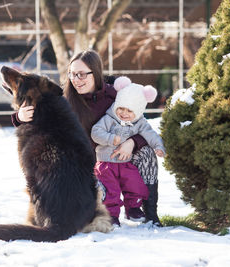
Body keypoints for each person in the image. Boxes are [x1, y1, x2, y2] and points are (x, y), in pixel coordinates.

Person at [12, 49, 163, 226]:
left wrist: (132, 142)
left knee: (146, 153)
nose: (76, 80)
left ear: (96, 73)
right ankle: (104, 214)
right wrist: (19, 117)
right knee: (98, 195)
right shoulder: (63, 99)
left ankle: (150, 214)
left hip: (120, 157)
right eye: (72, 74)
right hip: (88, 170)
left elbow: (142, 125)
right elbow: (37, 125)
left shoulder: (116, 96)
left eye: (82, 74)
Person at [91, 77, 165, 226]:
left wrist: (158, 146)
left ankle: (133, 209)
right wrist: (111, 138)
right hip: (106, 163)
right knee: (111, 190)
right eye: (121, 108)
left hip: (125, 163)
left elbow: (150, 134)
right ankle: (111, 216)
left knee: (135, 184)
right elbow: (95, 132)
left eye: (129, 110)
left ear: (137, 111)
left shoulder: (139, 122)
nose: (124, 113)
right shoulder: (109, 119)